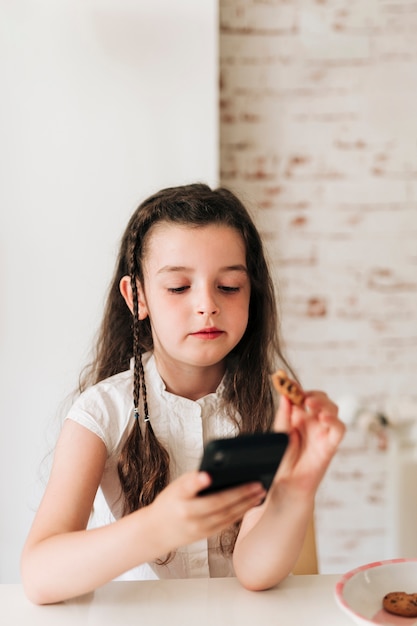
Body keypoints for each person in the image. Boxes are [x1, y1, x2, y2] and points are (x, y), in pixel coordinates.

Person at [21, 183, 345, 605]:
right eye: (178, 288)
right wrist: (158, 526)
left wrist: (294, 490)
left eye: (229, 286)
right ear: (136, 296)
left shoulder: (269, 407)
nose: (207, 304)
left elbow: (254, 570)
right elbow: (39, 576)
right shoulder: (101, 414)